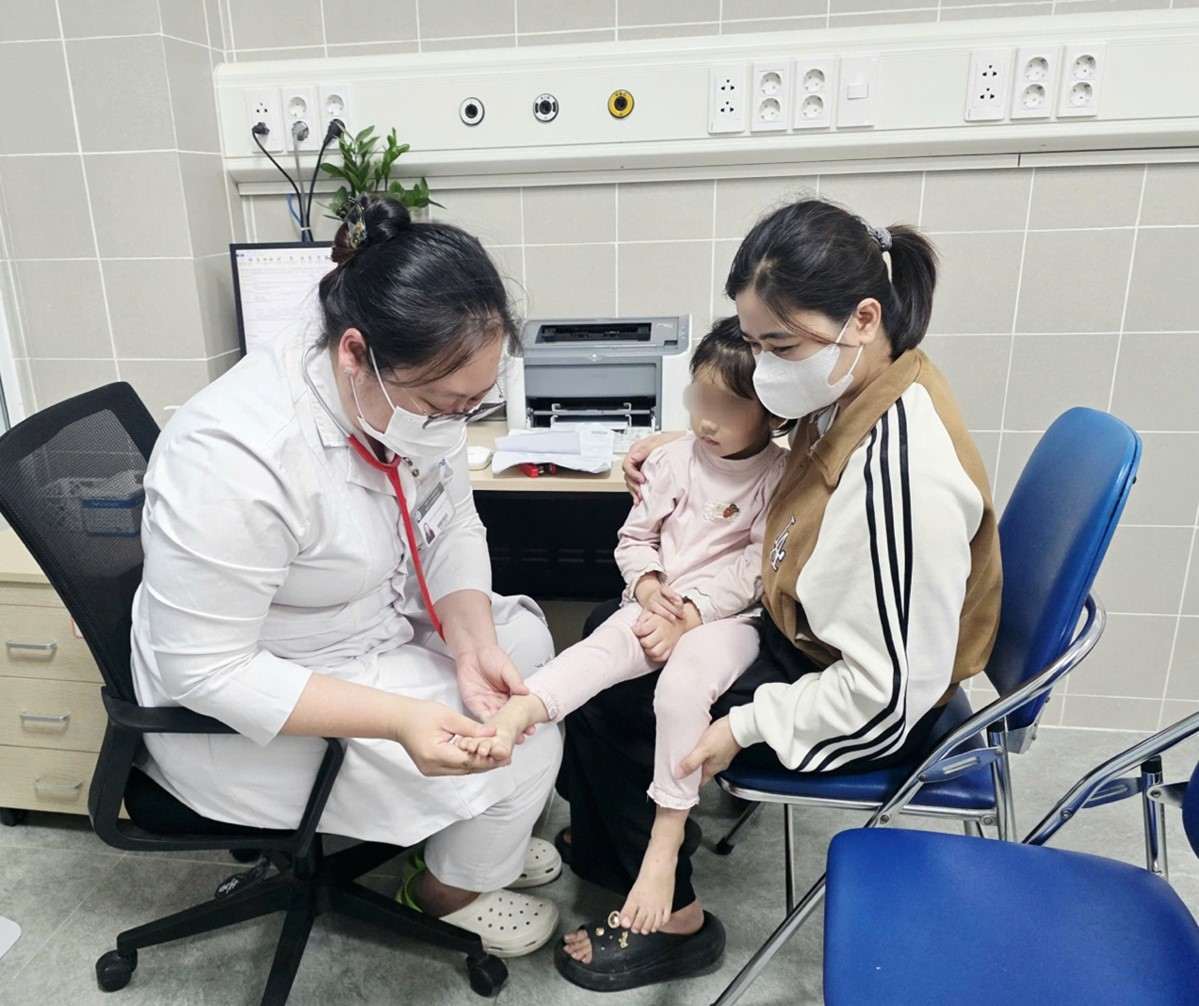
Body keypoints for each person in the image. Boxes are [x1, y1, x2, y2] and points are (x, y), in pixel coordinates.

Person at [554, 198, 1003, 991]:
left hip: (873, 702)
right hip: (815, 635)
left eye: (778, 345)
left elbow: (894, 694)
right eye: (754, 344)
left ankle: (678, 918)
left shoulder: (904, 477)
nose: (763, 370)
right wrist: (690, 443)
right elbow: (793, 445)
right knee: (613, 624)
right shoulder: (868, 384)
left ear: (862, 317)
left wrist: (745, 726)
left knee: (623, 688)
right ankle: (604, 851)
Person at [130, 196, 563, 959]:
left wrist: (469, 646)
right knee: (531, 741)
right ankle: (447, 890)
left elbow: (450, 522)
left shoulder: (401, 392)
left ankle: (477, 830)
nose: (453, 423)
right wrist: (398, 720)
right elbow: (204, 669)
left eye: (473, 403)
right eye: (443, 404)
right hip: (246, 705)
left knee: (523, 642)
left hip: (356, 623)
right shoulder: (236, 454)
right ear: (354, 353)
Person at [458, 319, 785, 939]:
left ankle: (663, 843)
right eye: (699, 401)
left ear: (771, 412)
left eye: (727, 407)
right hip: (661, 604)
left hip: (727, 621)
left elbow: (755, 571)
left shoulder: (778, 476)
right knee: (601, 644)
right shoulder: (671, 460)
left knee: (679, 688)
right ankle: (525, 710)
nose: (707, 420)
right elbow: (634, 539)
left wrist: (689, 612)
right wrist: (650, 586)